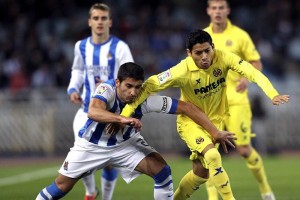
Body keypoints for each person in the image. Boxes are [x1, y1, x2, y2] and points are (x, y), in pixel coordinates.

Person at [119, 30, 289, 200]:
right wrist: (125, 115)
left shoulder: (224, 58)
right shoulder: (182, 70)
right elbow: (150, 85)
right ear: (189, 53)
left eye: (207, 50)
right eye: (198, 53)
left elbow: (252, 72)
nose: (204, 57)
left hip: (215, 123)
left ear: (213, 47)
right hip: (190, 123)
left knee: (200, 174)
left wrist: (272, 93)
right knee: (213, 156)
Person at [36, 62, 235, 200]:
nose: (133, 92)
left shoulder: (144, 97)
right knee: (61, 187)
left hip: (125, 145)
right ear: (117, 82)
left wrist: (215, 132)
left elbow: (187, 108)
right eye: (128, 86)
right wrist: (122, 118)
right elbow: (93, 111)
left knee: (163, 172)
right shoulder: (106, 89)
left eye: (137, 87)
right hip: (91, 146)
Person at [204, 1, 277, 199]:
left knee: (244, 150)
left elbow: (256, 62)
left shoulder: (240, 35)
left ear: (227, 10)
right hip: (211, 103)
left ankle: (265, 189)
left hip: (236, 100)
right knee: (209, 152)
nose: (218, 11)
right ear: (208, 10)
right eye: (214, 8)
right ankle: (212, 197)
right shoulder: (203, 37)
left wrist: (246, 78)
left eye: (221, 8)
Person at [67, 3, 134, 200]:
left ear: (110, 22)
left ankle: (106, 198)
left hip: (111, 113)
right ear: (89, 21)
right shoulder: (80, 46)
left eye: (103, 18)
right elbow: (77, 70)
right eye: (96, 18)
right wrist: (73, 88)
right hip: (86, 110)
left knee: (109, 160)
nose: (99, 22)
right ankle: (90, 192)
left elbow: (130, 77)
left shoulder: (120, 47)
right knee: (81, 155)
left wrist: (124, 114)